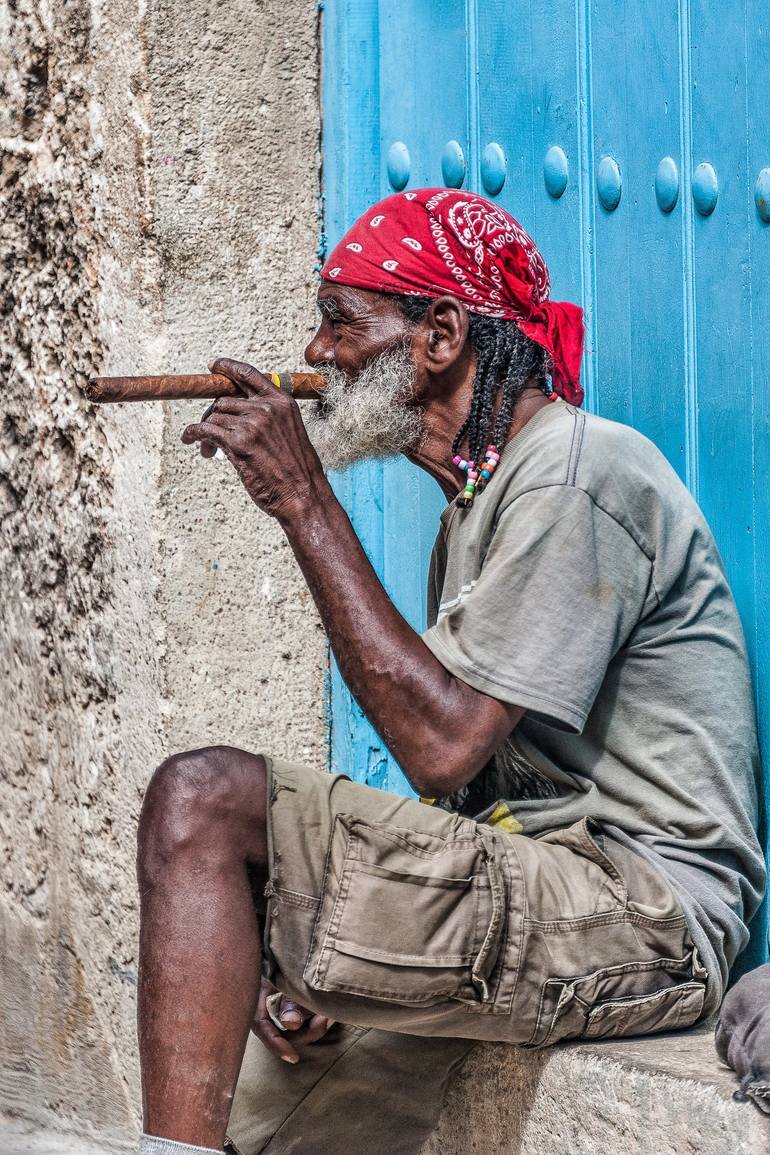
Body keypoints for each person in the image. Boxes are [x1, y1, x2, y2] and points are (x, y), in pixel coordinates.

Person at [135, 189, 765, 1155]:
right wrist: (307, 945)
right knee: (260, 1114)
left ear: (440, 334)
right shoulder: (476, 506)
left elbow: (440, 746)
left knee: (201, 799)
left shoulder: (575, 474)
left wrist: (304, 500)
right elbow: (469, 794)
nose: (317, 352)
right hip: (550, 880)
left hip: (647, 914)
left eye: (341, 322)